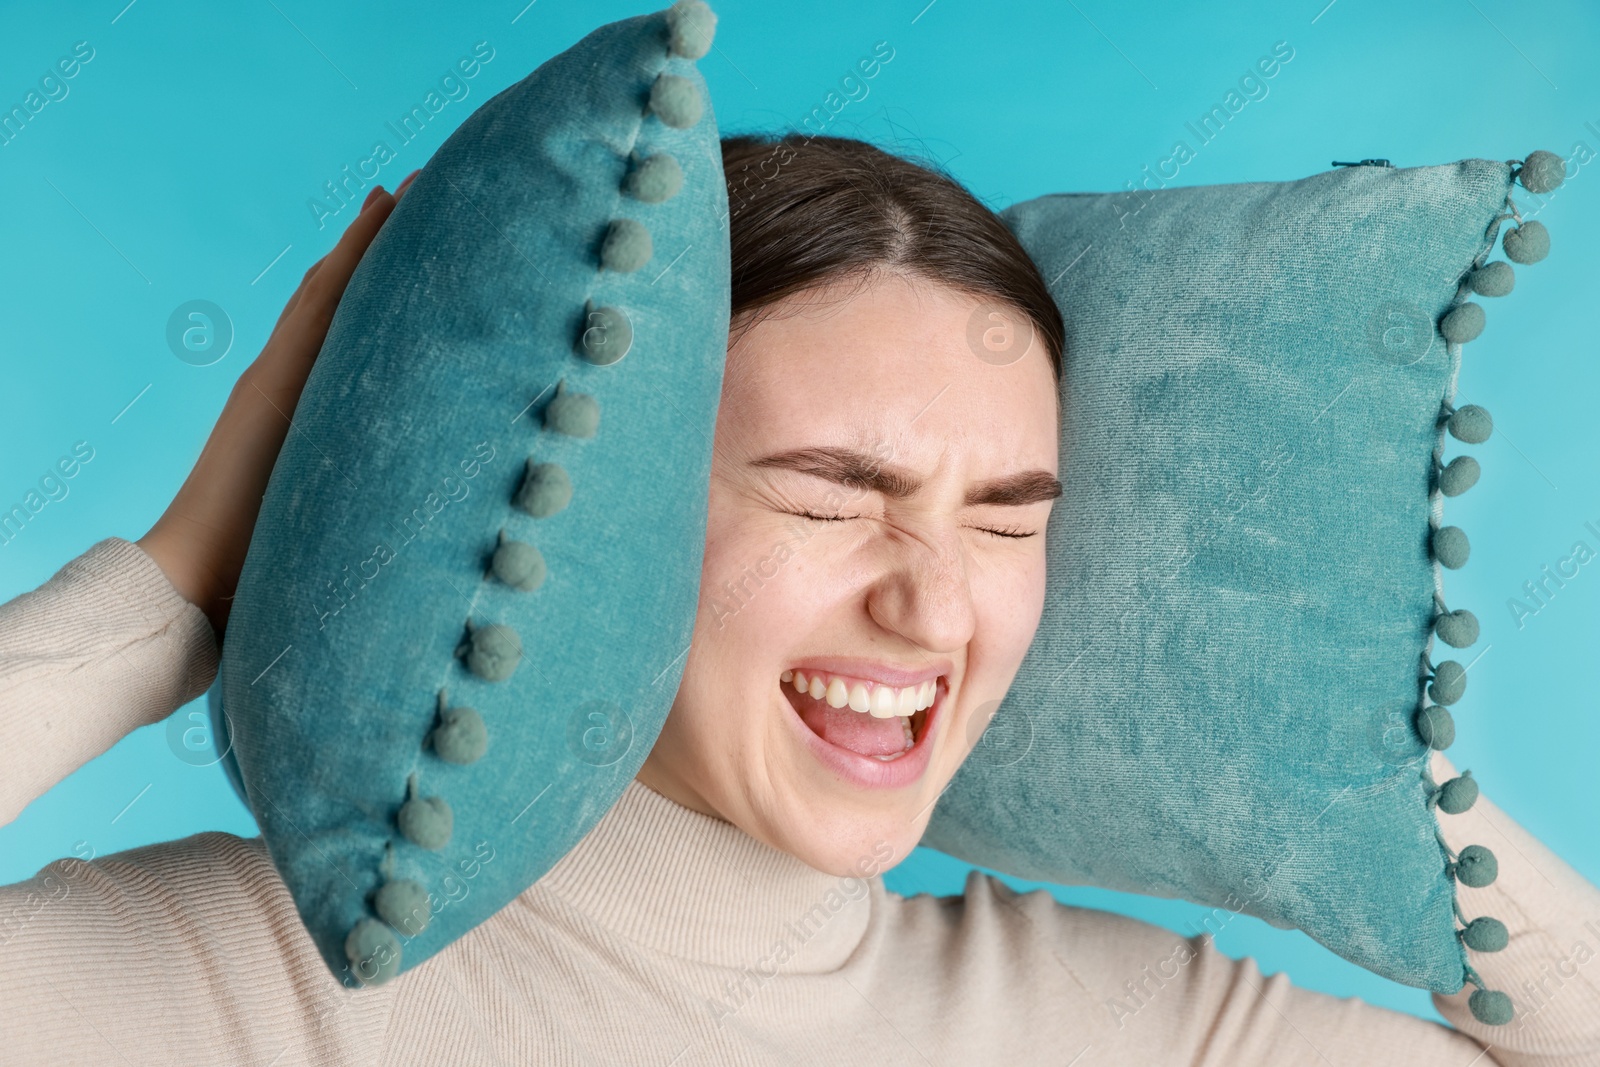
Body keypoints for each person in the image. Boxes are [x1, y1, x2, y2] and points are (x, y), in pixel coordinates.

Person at [1, 134, 1596, 1066]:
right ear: (608, 518)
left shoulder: (1106, 1027)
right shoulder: (220, 978)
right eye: (832, 498)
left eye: (1005, 520)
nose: (933, 607)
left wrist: (1366, 776)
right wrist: (169, 597)